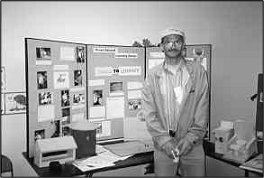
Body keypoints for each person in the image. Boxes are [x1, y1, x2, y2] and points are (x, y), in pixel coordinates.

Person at [142, 28, 209, 176]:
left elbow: (202, 109)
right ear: (161, 46)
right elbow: (149, 113)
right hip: (163, 145)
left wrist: (190, 139)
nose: (173, 45)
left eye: (177, 41)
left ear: (183, 45)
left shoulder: (198, 72)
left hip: (192, 144)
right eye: (168, 42)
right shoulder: (152, 76)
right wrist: (164, 141)